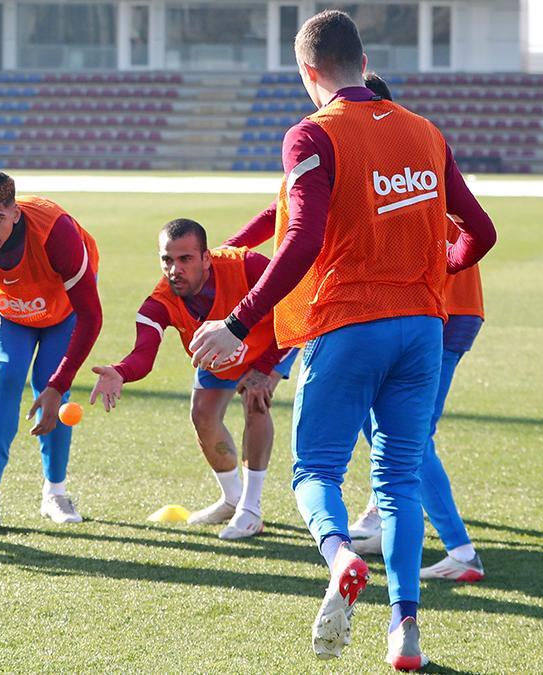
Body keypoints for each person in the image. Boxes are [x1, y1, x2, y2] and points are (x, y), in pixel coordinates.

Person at [188, 11, 496, 669]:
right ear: (365, 58)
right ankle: (404, 629)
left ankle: (340, 554)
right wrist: (434, 266)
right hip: (421, 329)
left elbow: (299, 237)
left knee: (316, 470)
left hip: (348, 324)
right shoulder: (425, 132)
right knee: (398, 474)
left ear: (308, 72)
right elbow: (481, 233)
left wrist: (237, 322)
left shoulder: (312, 134)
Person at [344, 73, 487, 583]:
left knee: (410, 438)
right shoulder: (414, 146)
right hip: (441, 309)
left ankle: (461, 551)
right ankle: (385, 513)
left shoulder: (390, 151)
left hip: (437, 310)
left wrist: (437, 268)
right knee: (384, 426)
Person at [89, 219, 296, 539]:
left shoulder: (246, 266)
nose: (174, 269)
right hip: (218, 357)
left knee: (255, 402)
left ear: (206, 258)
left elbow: (295, 308)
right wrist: (121, 371)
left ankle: (251, 510)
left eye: (185, 259)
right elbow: (143, 355)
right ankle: (232, 498)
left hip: (273, 343)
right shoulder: (158, 303)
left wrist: (265, 369)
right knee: (202, 414)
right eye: (167, 260)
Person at [0, 171, 102, 532]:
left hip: (64, 312)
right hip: (11, 312)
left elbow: (91, 316)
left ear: (15, 213)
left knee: (47, 381)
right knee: (8, 372)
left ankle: (55, 493)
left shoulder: (57, 232)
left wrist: (58, 386)